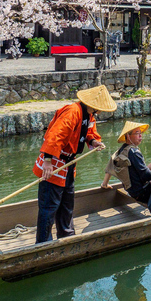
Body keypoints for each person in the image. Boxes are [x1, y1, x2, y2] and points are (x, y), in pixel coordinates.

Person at [32, 85, 114, 243]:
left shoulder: (88, 115)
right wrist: (47, 162)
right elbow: (55, 135)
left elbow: (88, 133)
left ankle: (66, 235)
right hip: (55, 162)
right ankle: (43, 242)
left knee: (67, 202)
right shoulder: (73, 111)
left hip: (69, 164)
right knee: (49, 205)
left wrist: (94, 141)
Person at [101, 121, 151, 204]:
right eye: (137, 133)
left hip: (131, 190)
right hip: (142, 194)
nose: (140, 135)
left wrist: (104, 184)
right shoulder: (134, 152)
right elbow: (145, 173)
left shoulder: (121, 150)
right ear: (128, 136)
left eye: (140, 133)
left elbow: (109, 168)